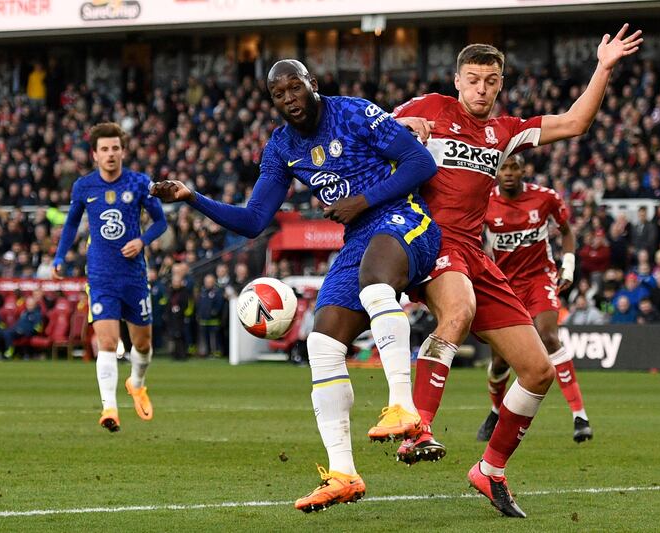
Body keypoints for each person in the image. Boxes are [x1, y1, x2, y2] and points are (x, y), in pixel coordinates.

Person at [150, 59, 441, 513]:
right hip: (358, 238)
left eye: (295, 88)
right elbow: (252, 221)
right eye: (279, 94)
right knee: (321, 342)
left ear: (313, 85)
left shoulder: (354, 113)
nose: (289, 99)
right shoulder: (282, 147)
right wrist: (192, 198)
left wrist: (362, 199)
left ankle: (403, 406)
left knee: (372, 286)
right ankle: (344, 473)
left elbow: (419, 162)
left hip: (404, 218)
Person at [392, 27, 642, 517]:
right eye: (473, 80)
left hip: (476, 254)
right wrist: (404, 130)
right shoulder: (432, 108)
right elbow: (370, 129)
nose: (481, 89)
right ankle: (416, 426)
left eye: (491, 80)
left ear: (500, 84)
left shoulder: (505, 131)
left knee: (538, 370)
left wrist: (604, 67)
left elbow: (574, 123)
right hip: (431, 239)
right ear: (457, 81)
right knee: (457, 310)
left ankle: (489, 470)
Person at [53, 122, 167, 432]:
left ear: (123, 151)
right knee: (107, 341)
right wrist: (60, 255)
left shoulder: (139, 183)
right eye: (104, 149)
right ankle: (109, 409)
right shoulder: (84, 187)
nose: (110, 154)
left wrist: (142, 241)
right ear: (95, 154)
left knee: (142, 345)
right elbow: (70, 225)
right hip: (101, 276)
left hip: (134, 276)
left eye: (115, 148)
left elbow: (161, 222)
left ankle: (137, 383)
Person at [478, 154, 592, 444]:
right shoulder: (483, 201)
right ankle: (495, 411)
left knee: (549, 337)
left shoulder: (545, 198)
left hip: (539, 278)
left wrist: (568, 267)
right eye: (503, 167)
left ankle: (580, 417)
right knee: (501, 360)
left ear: (523, 169)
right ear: (496, 171)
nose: (509, 173)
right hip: (503, 284)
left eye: (514, 167)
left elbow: (566, 232)